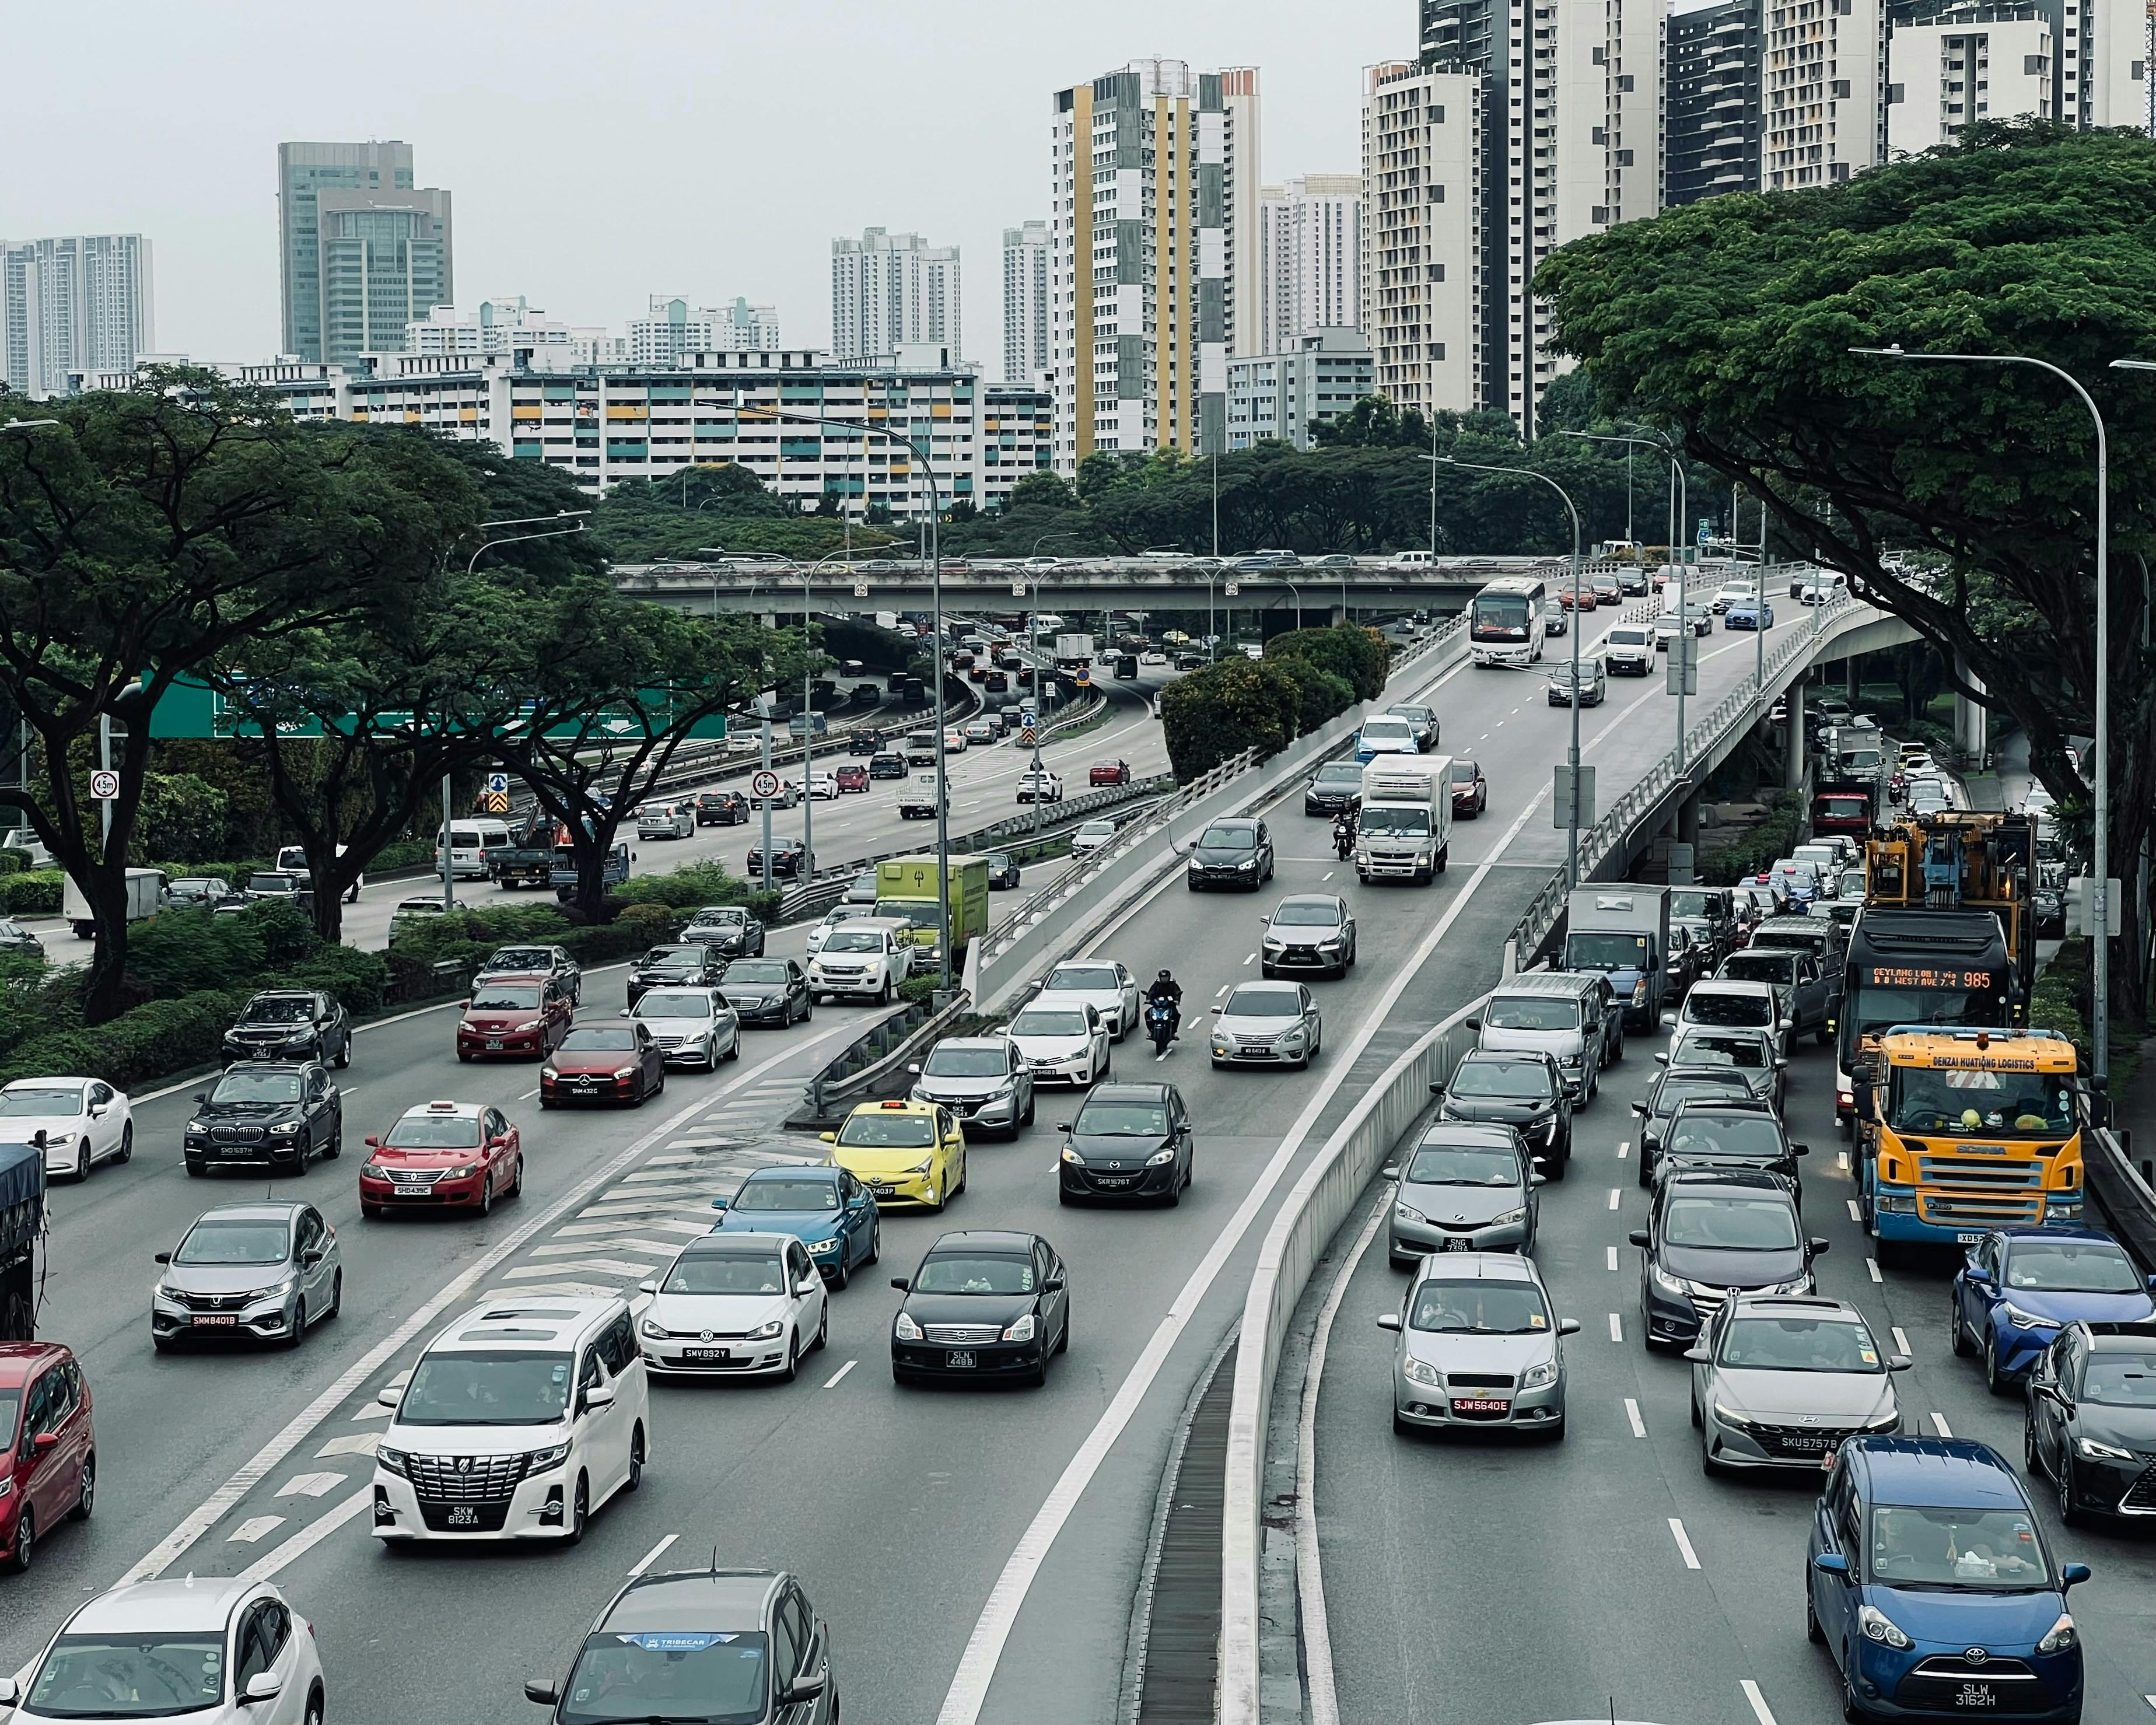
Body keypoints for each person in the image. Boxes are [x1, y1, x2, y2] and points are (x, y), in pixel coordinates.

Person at [1146, 970, 1183, 1042]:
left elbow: (1177, 992)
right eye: (1163, 978)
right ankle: (1151, 1031)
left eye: (1166, 978)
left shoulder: (1173, 985)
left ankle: (1173, 1033)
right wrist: (1149, 999)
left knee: (1176, 1015)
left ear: (1169, 977)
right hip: (1158, 1006)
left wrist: (1177, 1000)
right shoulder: (1156, 985)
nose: (1164, 979)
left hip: (1169, 1006)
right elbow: (1151, 992)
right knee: (1147, 1014)